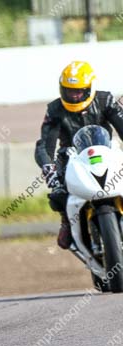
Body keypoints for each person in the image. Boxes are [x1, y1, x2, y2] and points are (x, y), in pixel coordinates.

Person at [35, 61, 123, 249]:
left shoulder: (105, 100)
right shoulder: (54, 109)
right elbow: (44, 145)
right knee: (57, 191)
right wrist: (47, 167)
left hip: (105, 151)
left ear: (90, 88)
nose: (74, 95)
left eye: (79, 91)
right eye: (69, 91)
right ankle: (67, 221)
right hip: (71, 157)